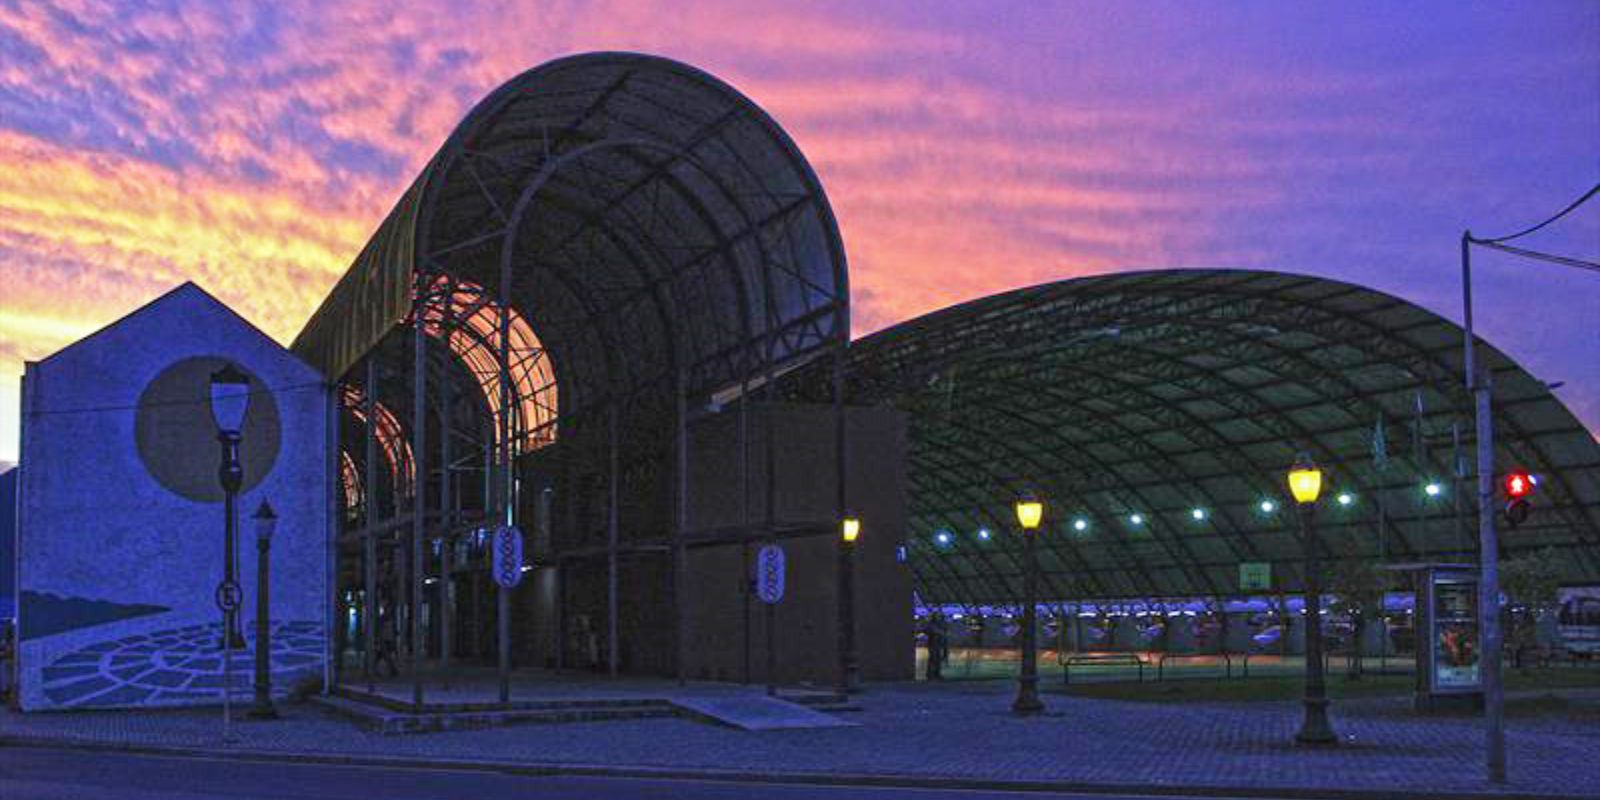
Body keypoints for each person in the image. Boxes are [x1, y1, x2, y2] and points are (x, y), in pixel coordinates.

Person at [925, 611, 948, 680]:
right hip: (933, 644)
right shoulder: (931, 625)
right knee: (933, 659)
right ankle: (930, 674)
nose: (938, 618)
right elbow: (929, 631)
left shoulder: (938, 625)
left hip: (937, 644)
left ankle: (935, 674)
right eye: (937, 616)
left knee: (937, 659)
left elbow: (942, 633)